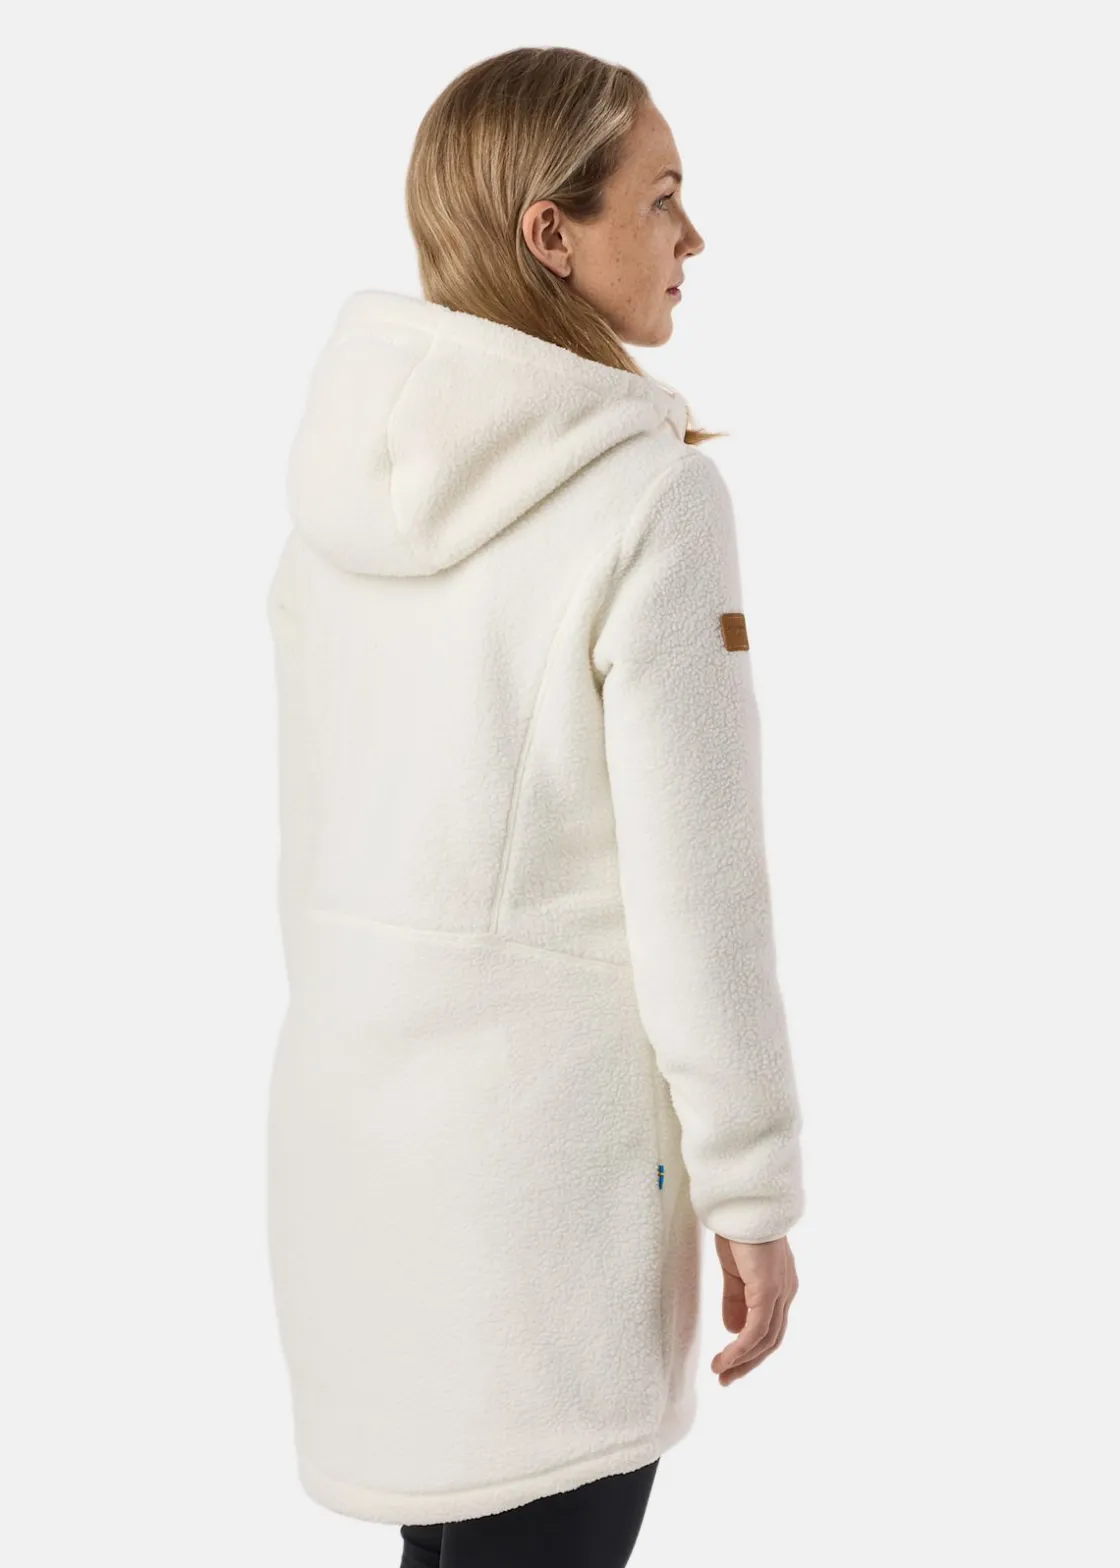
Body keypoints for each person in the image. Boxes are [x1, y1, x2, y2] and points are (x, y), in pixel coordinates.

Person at [265, 45, 806, 1568]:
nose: (694, 237)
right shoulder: (650, 501)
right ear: (549, 234)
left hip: (352, 1166)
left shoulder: (332, 504)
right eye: (662, 198)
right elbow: (701, 894)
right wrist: (755, 1185)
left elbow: (310, 854)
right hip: (544, 1205)